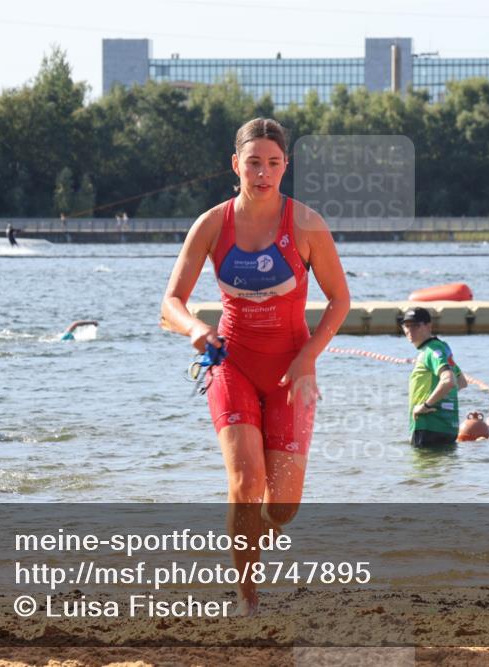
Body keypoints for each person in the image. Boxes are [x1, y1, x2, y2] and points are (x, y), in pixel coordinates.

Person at [160, 117, 350, 616]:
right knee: (245, 484)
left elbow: (339, 300)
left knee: (280, 508)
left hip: (292, 372)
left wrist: (309, 356)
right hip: (232, 364)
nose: (262, 173)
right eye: (253, 163)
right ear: (235, 165)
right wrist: (195, 329)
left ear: (285, 166)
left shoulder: (306, 224)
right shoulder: (212, 224)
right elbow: (171, 302)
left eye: (272, 163)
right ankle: (248, 598)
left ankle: (248, 541)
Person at [402, 307, 467, 447]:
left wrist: (426, 406)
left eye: (416, 325)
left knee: (421, 468)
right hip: (447, 427)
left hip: (427, 426)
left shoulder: (431, 351)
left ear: (428, 326)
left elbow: (449, 381)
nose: (410, 330)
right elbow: (461, 382)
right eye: (407, 326)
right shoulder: (442, 348)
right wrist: (443, 403)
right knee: (441, 468)